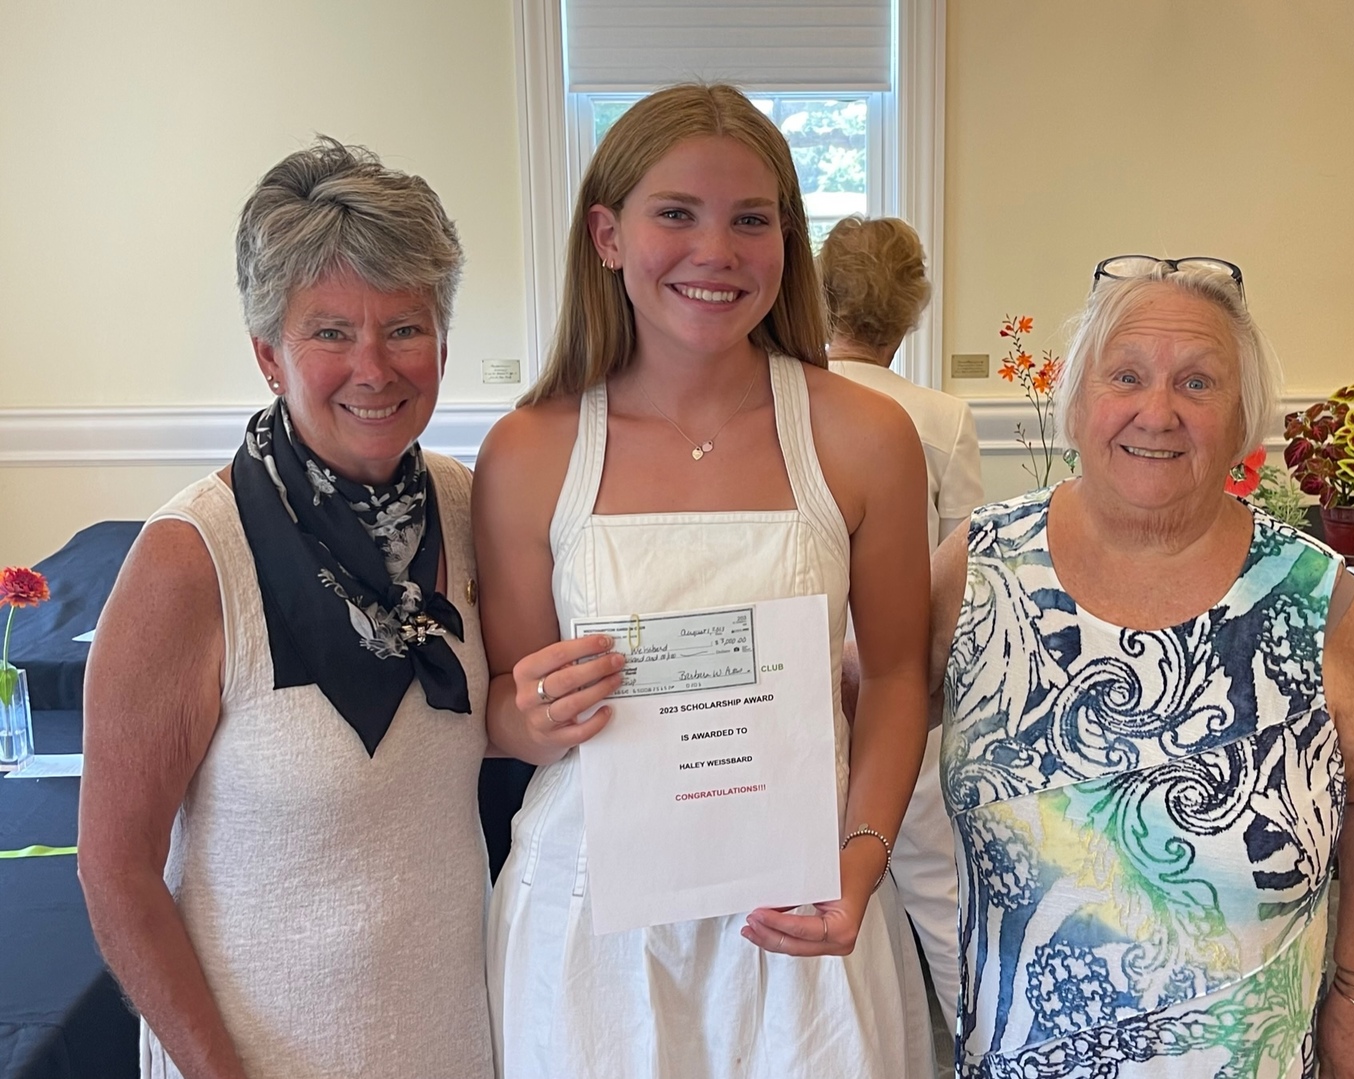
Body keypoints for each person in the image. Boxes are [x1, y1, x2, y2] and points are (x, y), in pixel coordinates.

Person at [475, 84, 935, 1078]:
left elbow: (898, 676)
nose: (715, 252)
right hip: (590, 920)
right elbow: (501, 710)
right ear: (607, 233)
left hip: (802, 909)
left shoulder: (864, 438)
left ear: (788, 240)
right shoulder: (529, 450)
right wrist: (533, 714)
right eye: (675, 213)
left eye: (750, 220)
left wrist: (859, 863)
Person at [929, 257, 1354, 1078]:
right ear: (1079, 400)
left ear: (1241, 421)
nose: (1156, 412)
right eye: (1125, 375)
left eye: (1197, 384)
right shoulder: (981, 566)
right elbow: (850, 707)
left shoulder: (1310, 594)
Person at [77, 139, 494, 1079]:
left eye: (406, 326)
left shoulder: (473, 513)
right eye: (331, 331)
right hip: (256, 1056)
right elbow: (116, 871)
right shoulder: (191, 560)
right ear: (269, 353)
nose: (375, 367)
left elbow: (512, 725)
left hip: (451, 1040)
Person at [818, 214, 982, 1042]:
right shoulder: (942, 417)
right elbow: (967, 568)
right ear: (913, 308)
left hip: (809, 682)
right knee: (941, 896)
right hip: (906, 684)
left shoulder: (786, 405)